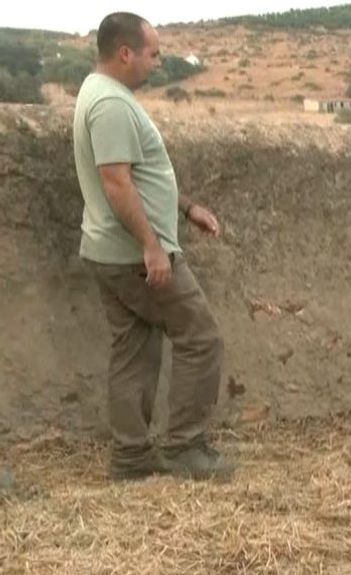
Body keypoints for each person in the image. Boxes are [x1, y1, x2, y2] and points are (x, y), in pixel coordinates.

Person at [72, 12, 233, 481]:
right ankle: (185, 448)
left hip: (109, 251)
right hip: (132, 255)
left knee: (134, 350)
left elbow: (139, 174)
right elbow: (116, 182)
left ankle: (131, 456)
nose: (158, 62)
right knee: (201, 337)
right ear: (125, 53)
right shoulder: (112, 106)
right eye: (153, 53)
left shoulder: (97, 93)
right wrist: (153, 246)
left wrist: (186, 209)